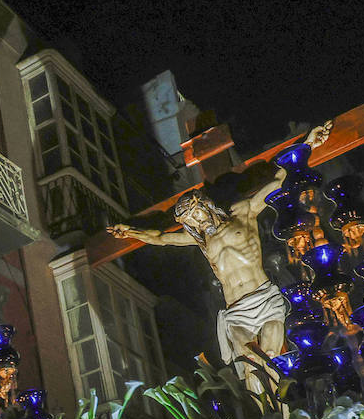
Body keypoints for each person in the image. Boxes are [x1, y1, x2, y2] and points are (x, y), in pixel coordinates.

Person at [109, 121, 332, 379]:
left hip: (262, 298)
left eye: (196, 212)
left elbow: (278, 181)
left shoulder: (243, 212)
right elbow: (160, 238)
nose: (196, 220)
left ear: (205, 204)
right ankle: (266, 417)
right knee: (249, 364)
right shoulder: (202, 241)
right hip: (235, 310)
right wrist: (130, 232)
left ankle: (281, 414)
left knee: (270, 356)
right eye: (190, 219)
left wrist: (307, 144)